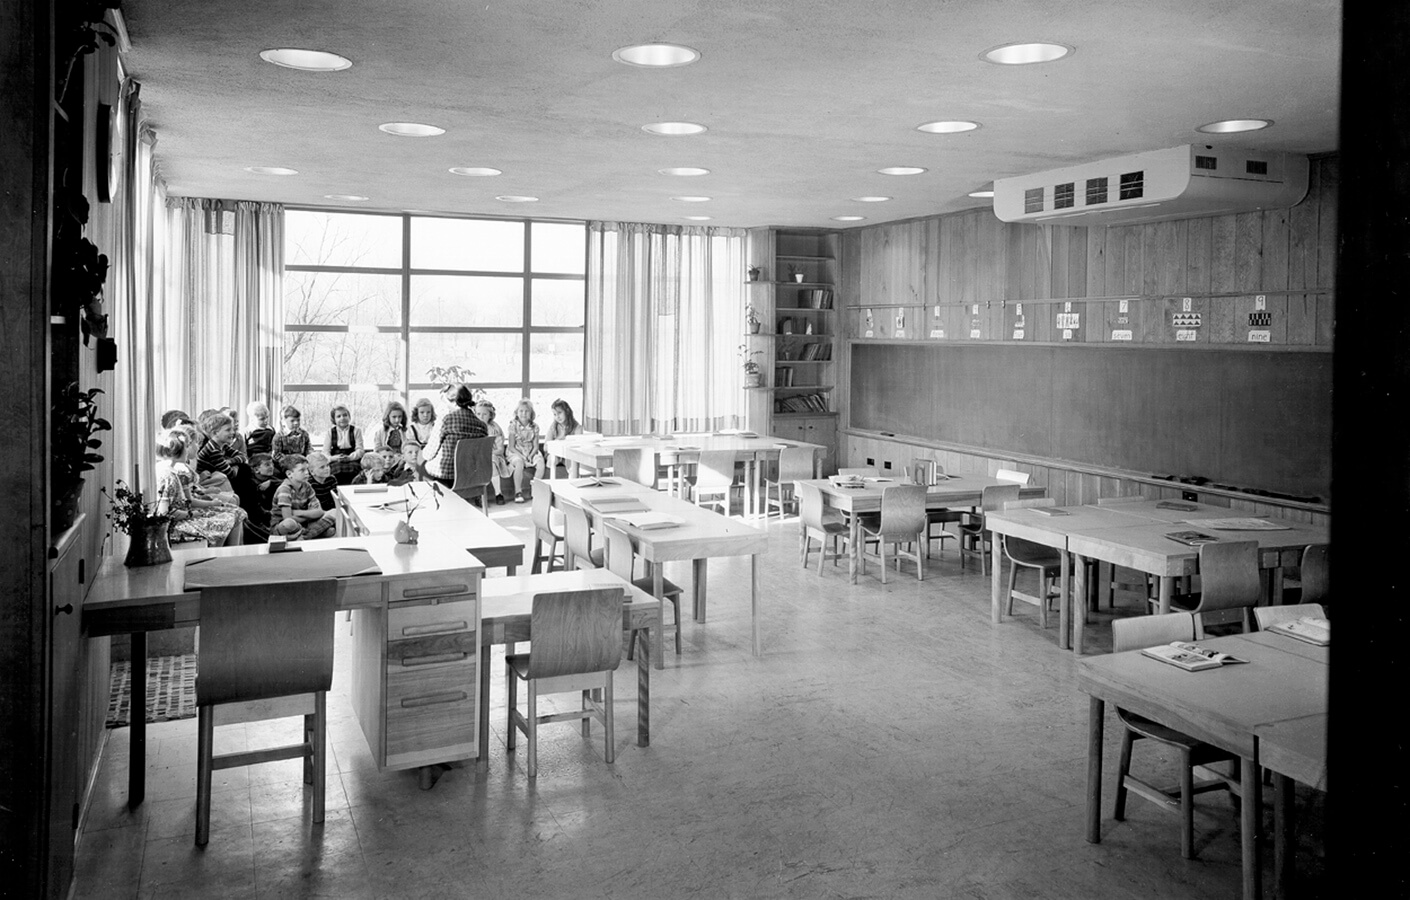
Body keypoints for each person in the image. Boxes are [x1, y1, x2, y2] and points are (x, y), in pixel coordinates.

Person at [154, 429, 246, 546]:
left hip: (184, 514)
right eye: (187, 446)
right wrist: (194, 514)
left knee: (233, 515)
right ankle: (217, 556)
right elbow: (165, 513)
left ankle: (229, 554)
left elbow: (188, 499)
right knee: (224, 521)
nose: (188, 451)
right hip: (175, 525)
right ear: (177, 450)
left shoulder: (176, 470)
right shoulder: (167, 475)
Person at [194, 409, 261, 522]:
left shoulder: (222, 445)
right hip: (208, 480)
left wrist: (230, 462)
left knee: (245, 470)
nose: (232, 433)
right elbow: (231, 473)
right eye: (228, 430)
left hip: (219, 475)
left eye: (232, 429)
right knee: (244, 472)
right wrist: (235, 465)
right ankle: (254, 514)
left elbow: (242, 456)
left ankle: (253, 513)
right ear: (215, 433)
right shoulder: (213, 449)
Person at [425, 384, 487, 488]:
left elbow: (428, 454)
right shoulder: (482, 425)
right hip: (471, 475)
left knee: (422, 460)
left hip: (447, 476)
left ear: (453, 402)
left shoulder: (446, 420)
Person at [269, 454, 336, 540]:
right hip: (284, 525)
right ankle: (314, 532)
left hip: (303, 523)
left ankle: (305, 536)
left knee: (334, 512)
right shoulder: (284, 489)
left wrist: (297, 512)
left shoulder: (307, 486)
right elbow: (288, 518)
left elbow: (319, 512)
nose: (307, 473)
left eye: (307, 469)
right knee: (289, 523)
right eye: (302, 470)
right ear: (289, 474)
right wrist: (309, 514)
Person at [505, 398, 545, 503]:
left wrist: (531, 456)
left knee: (540, 463)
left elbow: (536, 446)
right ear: (517, 413)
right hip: (516, 451)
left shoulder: (535, 426)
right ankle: (518, 492)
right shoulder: (513, 425)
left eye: (527, 411)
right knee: (519, 462)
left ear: (531, 413)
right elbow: (511, 446)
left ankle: (534, 489)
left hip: (531, 450)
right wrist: (522, 456)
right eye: (521, 411)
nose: (524, 413)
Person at [475, 399, 512, 504]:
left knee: (491, 462)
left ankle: (498, 494)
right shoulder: (473, 427)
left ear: (490, 415)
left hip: (494, 455)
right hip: (477, 456)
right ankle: (479, 495)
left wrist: (488, 454)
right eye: (478, 414)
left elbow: (500, 449)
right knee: (477, 463)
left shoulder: (494, 429)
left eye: (484, 414)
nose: (481, 417)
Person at [325, 404, 365, 484]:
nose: (342, 418)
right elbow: (325, 452)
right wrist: (334, 458)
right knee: (335, 470)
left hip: (352, 457)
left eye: (345, 415)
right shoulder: (330, 432)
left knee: (355, 470)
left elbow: (360, 450)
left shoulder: (356, 430)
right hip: (336, 458)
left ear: (349, 417)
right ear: (334, 419)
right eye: (338, 416)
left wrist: (350, 457)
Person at [544, 398, 582, 478]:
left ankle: (572, 481)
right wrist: (556, 444)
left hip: (569, 455)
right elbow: (546, 446)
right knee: (552, 459)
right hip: (555, 454)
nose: (557, 417)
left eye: (559, 413)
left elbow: (578, 446)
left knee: (572, 461)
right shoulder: (554, 426)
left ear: (567, 411)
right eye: (554, 414)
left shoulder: (577, 427)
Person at [271, 404, 312, 473]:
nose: (296, 423)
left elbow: (308, 448)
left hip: (303, 463)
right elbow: (277, 455)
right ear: (283, 421)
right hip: (286, 466)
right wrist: (291, 462)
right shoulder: (279, 437)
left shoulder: (304, 434)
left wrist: (310, 456)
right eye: (292, 421)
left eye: (298, 420)